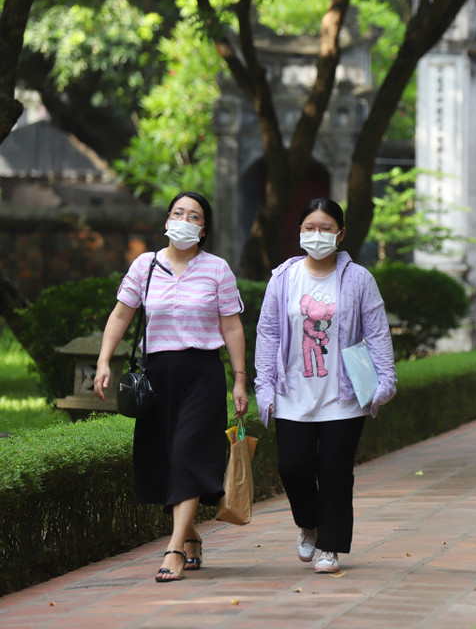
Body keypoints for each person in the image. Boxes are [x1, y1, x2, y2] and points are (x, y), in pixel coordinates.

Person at [93, 191, 248, 582]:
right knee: (164, 462)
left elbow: (231, 325)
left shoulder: (217, 269)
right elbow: (121, 314)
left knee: (187, 455)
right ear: (166, 221)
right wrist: (103, 360)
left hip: (202, 374)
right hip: (158, 376)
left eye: (193, 215)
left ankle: (174, 549)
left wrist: (240, 378)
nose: (184, 219)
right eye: (178, 212)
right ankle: (191, 535)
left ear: (203, 228)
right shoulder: (145, 266)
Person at [254, 198, 397, 575]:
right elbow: (267, 333)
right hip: (291, 393)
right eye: (310, 228)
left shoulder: (359, 279)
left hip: (344, 395)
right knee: (292, 467)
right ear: (300, 232)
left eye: (326, 228)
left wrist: (386, 380)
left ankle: (330, 547)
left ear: (341, 233)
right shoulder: (283, 278)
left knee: (335, 470)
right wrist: (263, 386)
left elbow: (377, 331)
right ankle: (310, 523)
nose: (317, 235)